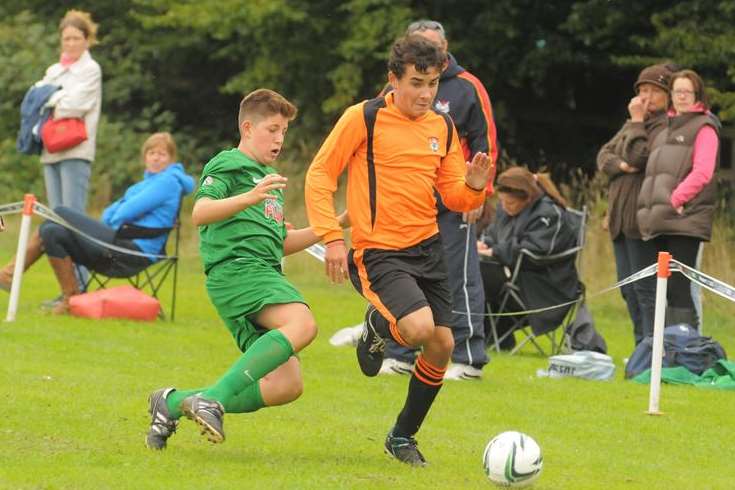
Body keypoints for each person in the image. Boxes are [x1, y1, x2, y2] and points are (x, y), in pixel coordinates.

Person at [305, 35, 491, 466]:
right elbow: (319, 174)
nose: (426, 94)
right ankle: (378, 324)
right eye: (416, 83)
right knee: (421, 327)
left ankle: (401, 437)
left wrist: (475, 188)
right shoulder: (363, 118)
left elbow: (455, 196)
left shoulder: (441, 127)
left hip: (427, 248)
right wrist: (332, 237)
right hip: (379, 251)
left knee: (442, 346)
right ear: (393, 80)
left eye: (433, 84)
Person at [146, 89, 332, 451]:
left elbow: (280, 243)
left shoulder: (269, 181)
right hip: (237, 272)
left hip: (261, 273)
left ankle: (171, 402)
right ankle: (212, 400)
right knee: (303, 324)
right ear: (248, 127)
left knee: (286, 385)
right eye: (273, 129)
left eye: (284, 132)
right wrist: (248, 196)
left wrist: (338, 223)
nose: (279, 139)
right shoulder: (227, 163)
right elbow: (200, 213)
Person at [375, 19, 498, 380]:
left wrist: (481, 192)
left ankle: (467, 356)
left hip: (454, 199)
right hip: (405, 203)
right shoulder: (392, 90)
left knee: (459, 276)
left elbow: (485, 141)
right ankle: (399, 353)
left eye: (434, 45)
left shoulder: (467, 86)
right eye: (419, 44)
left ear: (445, 48)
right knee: (400, 275)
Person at [0, 132, 194, 313]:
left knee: (59, 212)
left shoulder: (167, 182)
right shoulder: (143, 185)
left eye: (162, 153)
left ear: (171, 159)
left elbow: (125, 211)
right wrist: (113, 219)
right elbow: (112, 211)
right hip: (119, 243)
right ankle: (71, 298)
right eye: (152, 153)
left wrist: (112, 222)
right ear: (145, 157)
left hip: (133, 252)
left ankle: (9, 273)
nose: (156, 157)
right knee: (51, 231)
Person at [597, 63, 674, 346]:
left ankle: (652, 348)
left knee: (646, 289)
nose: (646, 97)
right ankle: (639, 346)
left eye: (654, 91)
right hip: (619, 218)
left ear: (667, 95)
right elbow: (603, 156)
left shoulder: (664, 125)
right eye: (642, 90)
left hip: (643, 220)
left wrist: (637, 124)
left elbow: (641, 156)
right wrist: (621, 164)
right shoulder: (633, 124)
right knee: (627, 288)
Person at [637, 69, 720, 329]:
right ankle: (663, 351)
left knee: (679, 290)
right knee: (661, 289)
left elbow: (703, 171)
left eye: (687, 91)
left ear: (697, 95)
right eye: (677, 91)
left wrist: (676, 198)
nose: (681, 96)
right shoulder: (663, 129)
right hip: (659, 220)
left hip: (685, 219)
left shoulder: (705, 127)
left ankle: (688, 352)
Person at [477, 167, 579, 349]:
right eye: (502, 202)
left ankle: (484, 336)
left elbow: (535, 251)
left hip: (545, 285)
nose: (505, 207)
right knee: (470, 270)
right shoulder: (505, 209)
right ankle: (484, 336)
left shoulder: (549, 214)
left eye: (511, 203)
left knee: (478, 275)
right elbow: (493, 235)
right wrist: (484, 245)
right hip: (511, 277)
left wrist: (495, 252)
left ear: (528, 198)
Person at [38, 9, 102, 213]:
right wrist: (57, 100)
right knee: (54, 215)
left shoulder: (90, 69)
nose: (71, 44)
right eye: (67, 39)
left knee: (73, 216)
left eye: (76, 38)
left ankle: (75, 247)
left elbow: (74, 106)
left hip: (76, 149)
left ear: (86, 39)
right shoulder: (53, 70)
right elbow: (36, 100)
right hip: (50, 149)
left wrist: (52, 99)